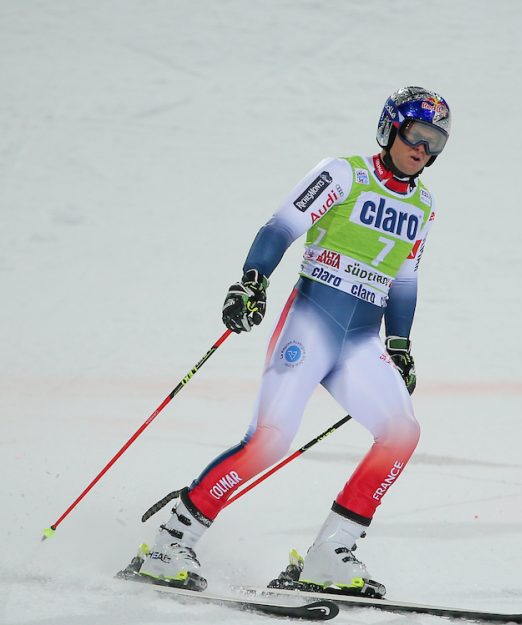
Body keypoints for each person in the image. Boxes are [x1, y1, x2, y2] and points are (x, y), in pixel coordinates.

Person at [120, 86, 451, 599]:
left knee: (401, 432)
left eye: (436, 142)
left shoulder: (424, 205)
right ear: (391, 128)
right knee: (270, 440)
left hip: (361, 341)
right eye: (416, 134)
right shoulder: (345, 173)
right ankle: (169, 543)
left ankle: (330, 555)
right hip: (311, 323)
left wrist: (401, 345)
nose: (423, 150)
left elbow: (405, 280)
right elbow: (281, 226)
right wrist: (253, 281)